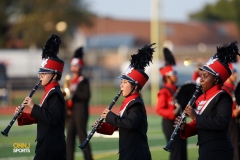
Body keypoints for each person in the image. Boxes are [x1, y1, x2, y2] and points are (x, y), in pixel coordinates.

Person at [175, 41, 240, 160]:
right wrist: (186, 128)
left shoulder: (222, 97)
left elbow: (221, 123)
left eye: (205, 76)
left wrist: (196, 117)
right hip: (206, 150)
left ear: (216, 79)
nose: (201, 80)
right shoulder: (201, 98)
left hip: (220, 151)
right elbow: (199, 125)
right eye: (201, 76)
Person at [94, 44, 155, 160]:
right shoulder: (128, 103)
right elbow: (119, 125)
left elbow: (129, 124)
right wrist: (101, 127)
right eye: (121, 82)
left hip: (136, 154)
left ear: (135, 87)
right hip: (128, 152)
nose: (121, 86)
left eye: (125, 83)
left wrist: (110, 116)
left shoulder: (136, 104)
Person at [14, 34, 67, 160]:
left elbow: (52, 119)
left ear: (54, 75)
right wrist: (24, 116)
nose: (41, 76)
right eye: (40, 73)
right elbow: (43, 117)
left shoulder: (55, 94)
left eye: (44, 73)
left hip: (52, 145)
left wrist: (33, 106)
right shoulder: (48, 92)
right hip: (47, 143)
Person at [156, 48, 187, 160]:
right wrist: (172, 112)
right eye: (174, 74)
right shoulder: (164, 91)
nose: (176, 76)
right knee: (176, 152)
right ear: (167, 77)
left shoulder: (178, 89)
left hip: (181, 123)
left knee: (183, 151)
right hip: (170, 124)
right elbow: (159, 109)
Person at [66, 47, 93, 160]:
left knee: (82, 137)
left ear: (80, 67)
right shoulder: (70, 81)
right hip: (71, 113)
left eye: (75, 66)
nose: (73, 68)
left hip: (81, 112)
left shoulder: (83, 80)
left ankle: (88, 158)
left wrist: (74, 93)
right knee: (69, 137)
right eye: (72, 65)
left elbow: (86, 96)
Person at [222, 63, 240, 160]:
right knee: (233, 148)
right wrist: (233, 112)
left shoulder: (233, 88)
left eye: (236, 72)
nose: (236, 75)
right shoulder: (225, 89)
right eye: (233, 73)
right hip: (230, 122)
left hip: (236, 121)